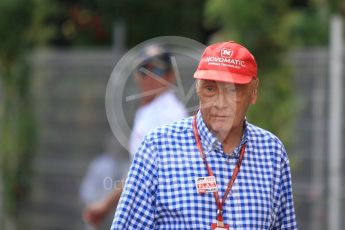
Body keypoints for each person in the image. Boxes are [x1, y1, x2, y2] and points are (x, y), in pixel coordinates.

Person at [111, 41, 298, 229]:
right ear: (198, 88)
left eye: (234, 90)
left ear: (254, 91)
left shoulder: (272, 153)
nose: (220, 103)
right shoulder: (157, 147)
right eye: (210, 89)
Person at [82, 44, 188, 228]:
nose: (150, 77)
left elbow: (143, 172)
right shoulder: (150, 109)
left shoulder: (169, 114)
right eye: (144, 69)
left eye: (158, 70)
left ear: (171, 75)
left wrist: (106, 205)